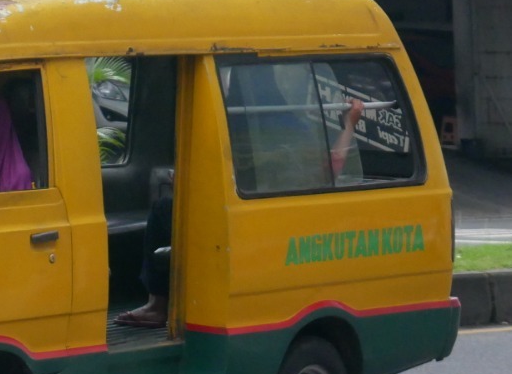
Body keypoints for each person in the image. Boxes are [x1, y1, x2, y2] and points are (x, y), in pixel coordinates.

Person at [115, 95, 367, 329]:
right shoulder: (303, 155)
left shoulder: (251, 149)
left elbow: (218, 187)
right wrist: (348, 127)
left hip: (237, 226)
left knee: (163, 209)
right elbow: (334, 163)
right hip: (269, 229)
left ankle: (158, 303)